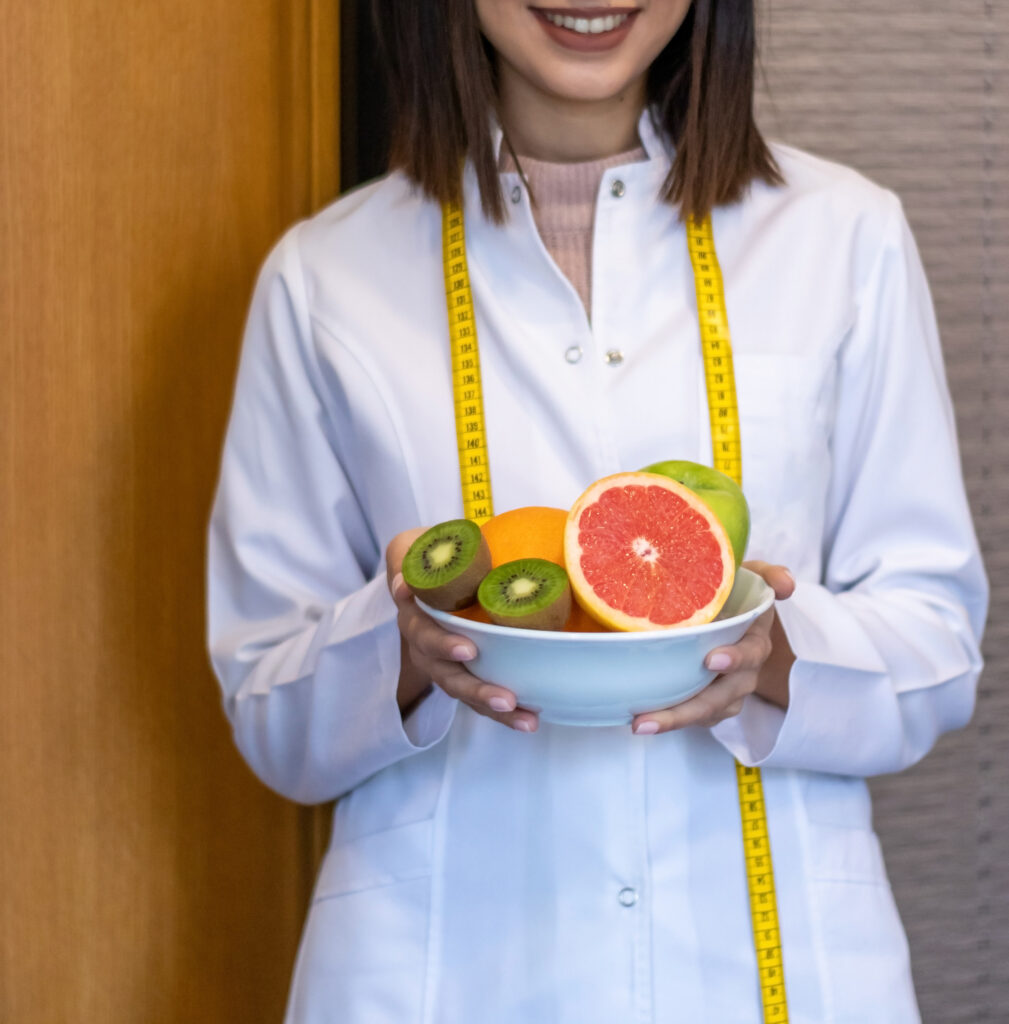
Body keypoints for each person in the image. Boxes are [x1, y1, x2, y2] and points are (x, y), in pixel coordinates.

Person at [206, 1, 988, 1021]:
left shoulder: (845, 237)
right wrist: (403, 643)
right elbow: (268, 710)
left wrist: (773, 654)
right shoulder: (323, 279)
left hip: (774, 968)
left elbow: (938, 645)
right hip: (440, 975)